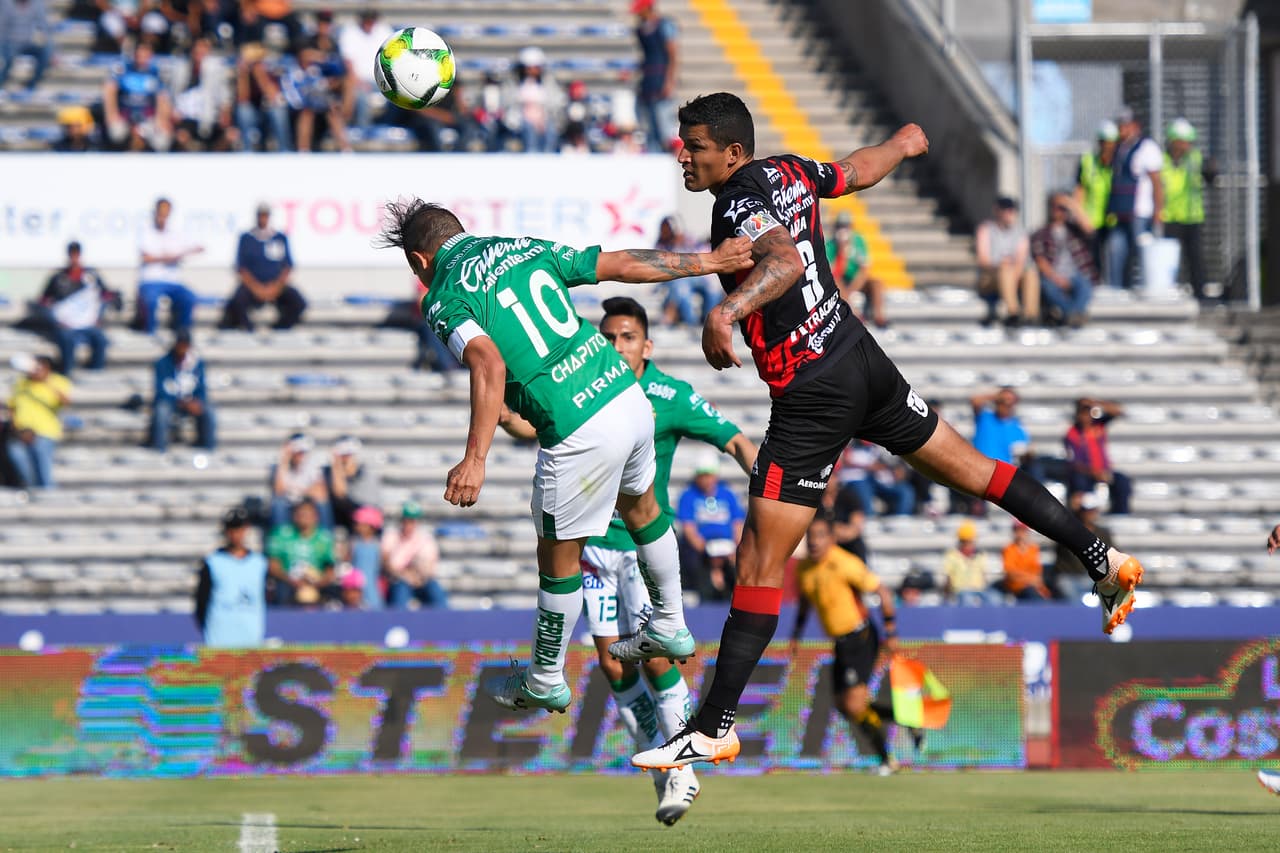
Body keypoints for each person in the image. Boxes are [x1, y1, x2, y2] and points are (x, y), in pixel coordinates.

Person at [629, 91, 1144, 770]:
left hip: (811, 391)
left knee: (758, 561)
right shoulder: (786, 171)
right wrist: (902, 146)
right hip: (859, 358)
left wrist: (726, 312)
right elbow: (855, 171)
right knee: (976, 472)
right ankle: (1102, 558)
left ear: (730, 152)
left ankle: (715, 723)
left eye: (692, 146)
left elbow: (780, 262)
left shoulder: (738, 198)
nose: (683, 155)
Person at [374, 198, 753, 714]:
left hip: (576, 428)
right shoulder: (520, 246)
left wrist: (475, 458)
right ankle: (670, 622)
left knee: (557, 559)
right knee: (644, 511)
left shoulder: (441, 294)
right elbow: (618, 264)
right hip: (625, 394)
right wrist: (709, 262)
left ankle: (546, 676)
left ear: (420, 261)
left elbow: (487, 363)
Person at [498, 294, 756, 824]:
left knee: (655, 658)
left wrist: (770, 487)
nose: (617, 346)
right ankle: (662, 771)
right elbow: (533, 427)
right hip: (592, 550)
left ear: (647, 344)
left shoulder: (668, 395)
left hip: (640, 552)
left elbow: (733, 439)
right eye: (609, 337)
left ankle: (684, 764)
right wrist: (504, 416)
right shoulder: (581, 388)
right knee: (613, 664)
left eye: (627, 337)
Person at [789, 515, 918, 773]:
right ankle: (907, 720)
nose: (814, 542)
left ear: (831, 538)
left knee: (854, 704)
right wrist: (796, 635)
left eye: (820, 536)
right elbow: (805, 601)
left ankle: (887, 759)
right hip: (840, 643)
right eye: (810, 537)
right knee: (843, 705)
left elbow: (882, 592)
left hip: (860, 637)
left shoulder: (844, 563)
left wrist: (891, 631)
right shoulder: (804, 568)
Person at [31, 241, 116, 376]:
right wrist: (56, 319)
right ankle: (67, 372)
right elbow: (43, 300)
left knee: (101, 340)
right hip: (66, 325)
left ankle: (95, 372)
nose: (74, 258)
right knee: (67, 339)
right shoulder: (58, 278)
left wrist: (99, 316)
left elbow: (106, 294)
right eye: (72, 255)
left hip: (87, 324)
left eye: (77, 254)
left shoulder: (91, 276)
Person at [220, 202, 306, 332]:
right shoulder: (247, 238)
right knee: (237, 301)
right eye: (261, 215)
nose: (263, 218)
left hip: (275, 286)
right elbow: (241, 268)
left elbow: (287, 267)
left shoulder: (279, 237)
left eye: (265, 215)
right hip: (252, 286)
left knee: (298, 302)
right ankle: (248, 331)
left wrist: (275, 287)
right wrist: (257, 289)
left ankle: (281, 328)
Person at [1106, 106, 1164, 290]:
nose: (1121, 129)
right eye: (1120, 125)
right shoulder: (1119, 149)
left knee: (1142, 253)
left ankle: (1148, 287)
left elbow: (1156, 182)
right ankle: (1117, 289)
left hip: (1140, 212)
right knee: (1116, 251)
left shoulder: (1147, 148)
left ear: (1135, 126)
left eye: (1126, 125)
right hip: (1121, 213)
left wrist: (1158, 211)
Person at [194, 507, 268, 647]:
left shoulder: (259, 563)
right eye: (232, 529)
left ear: (246, 529)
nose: (236, 534)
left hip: (251, 638)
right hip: (219, 639)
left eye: (240, 528)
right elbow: (201, 601)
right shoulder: (213, 562)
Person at [676, 453, 746, 602]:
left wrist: (735, 548)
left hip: (728, 548)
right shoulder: (688, 496)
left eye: (709, 475)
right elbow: (689, 529)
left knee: (738, 569)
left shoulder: (728, 494)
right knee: (700, 571)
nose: (706, 479)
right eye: (702, 475)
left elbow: (737, 524)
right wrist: (709, 553)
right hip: (703, 550)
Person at [1161, 117, 1217, 302]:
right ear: (1174, 141)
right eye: (1184, 142)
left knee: (1196, 259)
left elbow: (1208, 177)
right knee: (1169, 261)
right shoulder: (1162, 160)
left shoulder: (1195, 157)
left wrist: (1211, 171)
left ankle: (1201, 296)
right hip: (1170, 217)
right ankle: (1168, 294)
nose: (1187, 146)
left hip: (1192, 217)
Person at [135, 197, 203, 335]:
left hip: (172, 281)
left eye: (166, 213)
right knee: (151, 300)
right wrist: (169, 257)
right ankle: (150, 333)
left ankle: (181, 335)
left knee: (189, 298)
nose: (163, 217)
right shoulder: (146, 231)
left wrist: (174, 255)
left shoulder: (175, 234)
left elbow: (196, 248)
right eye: (161, 213)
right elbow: (146, 257)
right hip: (151, 280)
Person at [1030, 192, 1097, 328]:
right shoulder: (1040, 234)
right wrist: (1057, 278)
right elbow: (1040, 261)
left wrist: (1072, 205)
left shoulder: (1075, 230)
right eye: (1056, 207)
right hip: (1053, 275)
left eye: (1063, 208)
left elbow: (1090, 229)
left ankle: (1071, 315)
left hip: (1077, 274)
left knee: (1085, 284)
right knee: (1047, 287)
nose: (1059, 211)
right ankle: (1075, 314)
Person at [5, 353, 70, 489]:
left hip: (44, 431)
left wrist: (46, 381)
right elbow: (12, 407)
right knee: (17, 455)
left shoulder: (58, 381)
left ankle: (48, 493)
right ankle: (32, 488)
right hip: (22, 432)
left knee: (42, 466)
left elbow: (65, 401)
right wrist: (16, 429)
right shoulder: (21, 383)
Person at [975, 196, 1039, 327]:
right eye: (1006, 210)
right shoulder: (986, 229)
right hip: (990, 277)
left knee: (1030, 273)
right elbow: (983, 260)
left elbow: (1021, 260)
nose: (1009, 214)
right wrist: (1004, 267)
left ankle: (1030, 315)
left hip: (1013, 275)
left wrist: (1011, 275)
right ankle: (1013, 312)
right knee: (1005, 269)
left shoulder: (1021, 232)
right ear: (997, 211)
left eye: (1012, 210)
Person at [150, 329, 216, 453]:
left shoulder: (197, 363)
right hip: (171, 401)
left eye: (185, 345)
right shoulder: (163, 363)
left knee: (209, 410)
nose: (183, 348)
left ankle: (208, 446)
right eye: (180, 345)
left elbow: (201, 387)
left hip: (191, 400)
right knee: (161, 411)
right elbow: (160, 391)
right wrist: (181, 402)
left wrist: (196, 401)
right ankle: (159, 447)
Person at [102, 41, 173, 152]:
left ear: (150, 56)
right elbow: (109, 89)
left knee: (162, 140)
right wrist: (111, 114)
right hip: (125, 116)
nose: (142, 58)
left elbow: (163, 97)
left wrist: (161, 119)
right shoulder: (123, 69)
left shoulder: (156, 72)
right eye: (139, 54)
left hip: (147, 117)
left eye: (145, 54)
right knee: (116, 132)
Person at [1064, 397, 1130, 515]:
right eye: (1083, 413)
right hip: (1086, 474)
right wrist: (1095, 472)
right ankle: (1084, 514)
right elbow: (1074, 463)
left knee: (1122, 481)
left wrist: (1096, 403)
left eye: (1088, 413)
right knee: (1078, 481)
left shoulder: (1098, 426)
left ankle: (1120, 514)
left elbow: (1118, 411)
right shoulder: (1072, 434)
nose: (1086, 417)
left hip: (1104, 472)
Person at [267, 497, 336, 606]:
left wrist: (318, 582)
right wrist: (291, 580)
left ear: (316, 517)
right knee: (280, 588)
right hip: (288, 582)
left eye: (308, 514)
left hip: (316, 583)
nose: (304, 518)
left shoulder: (324, 538)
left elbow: (330, 569)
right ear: (294, 516)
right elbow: (273, 566)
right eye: (301, 514)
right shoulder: (281, 535)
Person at [825, 210, 888, 328]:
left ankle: (879, 316)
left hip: (855, 281)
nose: (843, 229)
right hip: (840, 281)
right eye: (840, 226)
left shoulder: (858, 241)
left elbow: (864, 269)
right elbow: (833, 272)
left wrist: (851, 290)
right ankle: (855, 315)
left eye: (846, 226)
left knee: (876, 283)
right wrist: (841, 251)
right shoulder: (830, 245)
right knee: (836, 282)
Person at [656, 215, 721, 326]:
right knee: (682, 290)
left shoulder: (688, 239)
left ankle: (708, 321)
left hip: (697, 277)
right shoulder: (660, 245)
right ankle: (691, 323)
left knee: (712, 289)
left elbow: (701, 252)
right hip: (677, 279)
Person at [381, 500, 446, 609]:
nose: (408, 524)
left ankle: (446, 621)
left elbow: (429, 567)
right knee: (400, 593)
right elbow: (386, 562)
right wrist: (405, 575)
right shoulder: (391, 535)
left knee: (437, 593)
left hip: (422, 580)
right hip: (399, 579)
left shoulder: (426, 539)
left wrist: (418, 576)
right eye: (406, 520)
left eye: (411, 521)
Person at [632, 0, 677, 152]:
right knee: (649, 128)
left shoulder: (664, 26)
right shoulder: (641, 30)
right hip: (648, 83)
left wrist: (669, 82)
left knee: (664, 127)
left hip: (660, 83)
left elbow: (672, 55)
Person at [1050, 491, 1112, 602]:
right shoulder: (1067, 529)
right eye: (1087, 510)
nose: (1090, 513)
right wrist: (1071, 507)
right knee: (1070, 594)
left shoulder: (1103, 533)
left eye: (1092, 510)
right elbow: (1058, 519)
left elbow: (1113, 554)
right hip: (1068, 577)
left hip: (1093, 578)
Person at [1074, 120, 1118, 276]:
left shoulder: (1119, 163)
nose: (1108, 147)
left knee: (1115, 256)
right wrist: (1081, 217)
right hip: (1091, 220)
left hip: (1114, 219)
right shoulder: (1088, 161)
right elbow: (1079, 191)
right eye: (1105, 143)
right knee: (1093, 259)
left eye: (1111, 143)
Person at [337, 7, 389, 129]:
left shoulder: (384, 31)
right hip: (359, 81)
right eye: (367, 20)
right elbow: (348, 63)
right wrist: (359, 82)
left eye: (372, 21)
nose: (369, 24)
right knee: (361, 96)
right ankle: (364, 131)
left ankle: (387, 128)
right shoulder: (350, 32)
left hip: (382, 81)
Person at [269, 432, 331, 529]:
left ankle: (326, 537)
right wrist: (284, 460)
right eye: (297, 451)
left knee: (322, 503)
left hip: (307, 503)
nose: (300, 455)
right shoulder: (280, 466)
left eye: (302, 451)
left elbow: (320, 493)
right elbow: (279, 490)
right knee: (278, 504)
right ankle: (280, 539)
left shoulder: (313, 464)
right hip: (289, 505)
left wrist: (295, 491)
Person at [327, 435, 381, 532]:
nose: (346, 458)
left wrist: (337, 467)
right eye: (344, 455)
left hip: (364, 515)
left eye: (349, 454)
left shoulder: (365, 473)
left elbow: (340, 492)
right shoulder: (328, 472)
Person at [0, 0, 51, 92]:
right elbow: (1, 27)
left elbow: (44, 26)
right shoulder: (5, 3)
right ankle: (1, 83)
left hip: (28, 43)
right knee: (8, 57)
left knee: (46, 52)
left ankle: (31, 86)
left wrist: (54, 52)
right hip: (8, 43)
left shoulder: (37, 3)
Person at [941, 521, 991, 606]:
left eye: (969, 541)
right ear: (960, 541)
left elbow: (984, 576)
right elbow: (947, 578)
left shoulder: (981, 555)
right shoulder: (952, 555)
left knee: (994, 598)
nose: (967, 544)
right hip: (960, 591)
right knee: (967, 599)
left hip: (979, 591)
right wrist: (947, 594)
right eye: (965, 541)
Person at [998, 520, 1050, 601]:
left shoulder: (1034, 549)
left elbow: (1037, 573)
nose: (1020, 533)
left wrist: (1033, 580)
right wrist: (1030, 579)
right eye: (1017, 530)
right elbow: (1011, 574)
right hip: (1017, 587)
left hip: (1033, 587)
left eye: (1023, 530)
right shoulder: (1009, 549)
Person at [345, 504, 384, 610]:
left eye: (361, 524)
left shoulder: (377, 545)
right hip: (356, 586)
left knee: (374, 606)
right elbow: (348, 561)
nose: (358, 526)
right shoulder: (354, 543)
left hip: (372, 584)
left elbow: (381, 564)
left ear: (371, 526)